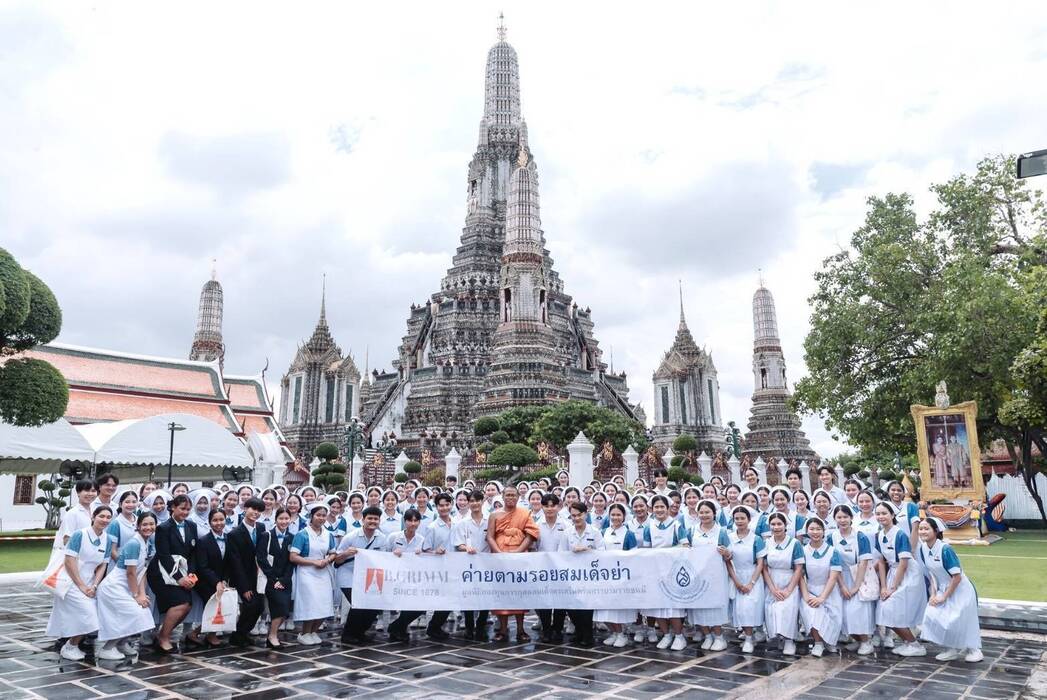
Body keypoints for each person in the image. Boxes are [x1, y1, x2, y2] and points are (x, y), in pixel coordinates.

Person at [48, 505, 114, 660]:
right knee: (89, 616)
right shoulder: (79, 535)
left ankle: (72, 645)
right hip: (70, 582)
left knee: (88, 616)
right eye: (101, 516)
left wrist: (94, 586)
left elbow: (102, 565)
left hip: (90, 583)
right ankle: (70, 646)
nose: (104, 520)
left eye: (108, 517)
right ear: (93, 517)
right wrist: (82, 586)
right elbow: (69, 561)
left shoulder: (108, 539)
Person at [917, 517, 982, 662]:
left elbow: (956, 576)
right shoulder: (923, 548)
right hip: (940, 588)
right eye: (921, 528)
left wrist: (944, 597)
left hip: (960, 589)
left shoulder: (945, 549)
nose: (922, 531)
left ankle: (974, 649)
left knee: (962, 619)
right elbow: (931, 574)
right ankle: (949, 648)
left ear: (936, 531)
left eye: (926, 528)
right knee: (932, 615)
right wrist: (933, 594)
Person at [96, 511, 157, 659]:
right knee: (136, 613)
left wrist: (142, 594)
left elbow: (142, 572)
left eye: (151, 524)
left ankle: (121, 643)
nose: (148, 527)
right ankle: (107, 648)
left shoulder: (146, 543)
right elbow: (130, 573)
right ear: (138, 526)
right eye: (144, 524)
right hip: (114, 587)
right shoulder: (134, 544)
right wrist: (136, 595)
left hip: (127, 587)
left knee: (140, 612)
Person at [874, 502, 928, 657]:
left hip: (908, 575)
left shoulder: (899, 534)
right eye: (878, 513)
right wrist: (884, 587)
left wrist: (892, 588)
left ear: (892, 515)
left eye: (884, 513)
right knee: (885, 610)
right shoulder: (879, 535)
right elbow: (881, 562)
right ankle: (908, 642)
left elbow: (904, 563)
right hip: (893, 572)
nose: (881, 516)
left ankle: (914, 645)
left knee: (891, 609)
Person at [487, 485, 539, 643]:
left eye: (513, 495)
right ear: (502, 496)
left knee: (519, 594)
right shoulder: (494, 515)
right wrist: (498, 553)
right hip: (500, 557)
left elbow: (531, 534)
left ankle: (521, 629)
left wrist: (519, 552)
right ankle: (502, 630)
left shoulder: (524, 513)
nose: (510, 498)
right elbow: (490, 536)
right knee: (502, 594)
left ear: (518, 497)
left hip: (519, 556)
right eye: (507, 495)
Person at [147, 494, 198, 653]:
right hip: (162, 573)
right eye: (182, 508)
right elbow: (164, 556)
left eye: (188, 509)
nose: (185, 512)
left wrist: (191, 575)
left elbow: (193, 553)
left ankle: (163, 634)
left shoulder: (191, 526)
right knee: (180, 603)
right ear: (173, 508)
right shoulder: (163, 528)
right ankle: (163, 637)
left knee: (188, 605)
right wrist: (179, 578)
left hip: (184, 571)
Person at [642, 494, 691, 651]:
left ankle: (678, 636)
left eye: (662, 507)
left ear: (668, 508)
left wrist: (666, 552)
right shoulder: (649, 527)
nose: (659, 510)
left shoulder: (677, 526)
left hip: (673, 570)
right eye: (656, 507)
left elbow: (685, 547)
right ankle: (666, 634)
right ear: (652, 509)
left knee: (673, 606)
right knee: (657, 605)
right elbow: (646, 549)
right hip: (655, 570)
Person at [827, 504, 876, 655]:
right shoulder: (831, 537)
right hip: (839, 577)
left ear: (851, 518)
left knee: (858, 611)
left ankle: (866, 641)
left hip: (858, 576)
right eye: (839, 517)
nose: (842, 520)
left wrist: (856, 586)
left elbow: (863, 562)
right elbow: (834, 564)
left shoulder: (860, 537)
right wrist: (842, 585)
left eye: (845, 517)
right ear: (834, 519)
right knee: (843, 613)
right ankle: (857, 639)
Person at [289, 502, 338, 645]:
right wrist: (314, 562)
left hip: (324, 572)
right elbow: (293, 556)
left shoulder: (328, 535)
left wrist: (327, 560)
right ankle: (304, 632)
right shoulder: (302, 534)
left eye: (324, 515)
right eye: (318, 515)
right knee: (310, 603)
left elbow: (333, 552)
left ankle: (313, 631)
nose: (321, 518)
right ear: (311, 516)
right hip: (307, 573)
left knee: (324, 603)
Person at [687, 500, 732, 651]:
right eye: (701, 512)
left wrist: (726, 552)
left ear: (714, 513)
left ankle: (719, 637)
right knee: (699, 606)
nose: (704, 515)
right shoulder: (692, 531)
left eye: (707, 512)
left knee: (714, 606)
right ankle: (707, 635)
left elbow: (730, 555)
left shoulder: (722, 532)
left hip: (716, 576)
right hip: (697, 575)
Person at [559, 502, 604, 647]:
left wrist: (587, 550)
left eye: (579, 515)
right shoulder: (567, 532)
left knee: (586, 606)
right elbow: (561, 553)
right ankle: (579, 631)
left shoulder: (595, 531)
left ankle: (587, 635)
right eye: (573, 515)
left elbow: (602, 552)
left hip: (589, 574)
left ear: (586, 514)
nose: (576, 518)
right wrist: (572, 552)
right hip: (572, 574)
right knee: (572, 607)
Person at [225, 496, 266, 647]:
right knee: (250, 606)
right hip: (243, 577)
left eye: (259, 510)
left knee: (259, 607)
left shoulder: (261, 528)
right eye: (253, 509)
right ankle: (238, 635)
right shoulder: (234, 534)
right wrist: (244, 588)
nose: (255, 512)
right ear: (244, 509)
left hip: (259, 576)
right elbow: (235, 563)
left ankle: (243, 633)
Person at [799, 517, 843, 657]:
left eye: (818, 529)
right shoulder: (803, 551)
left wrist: (822, 597)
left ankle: (829, 641)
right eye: (812, 529)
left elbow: (833, 576)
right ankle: (818, 643)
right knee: (812, 613)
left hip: (829, 590)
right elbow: (800, 574)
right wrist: (806, 595)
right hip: (810, 589)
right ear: (807, 531)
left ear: (824, 531)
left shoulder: (833, 551)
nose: (815, 532)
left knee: (832, 617)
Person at [594, 503, 637, 648]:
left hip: (622, 577)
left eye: (619, 515)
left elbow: (634, 556)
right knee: (604, 609)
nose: (615, 517)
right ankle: (614, 632)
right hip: (605, 576)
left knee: (616, 609)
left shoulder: (629, 534)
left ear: (624, 516)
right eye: (613, 515)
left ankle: (621, 634)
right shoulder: (603, 532)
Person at [762, 511, 804, 656]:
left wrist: (788, 590)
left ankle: (789, 640)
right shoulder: (767, 542)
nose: (776, 527)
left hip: (789, 579)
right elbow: (764, 568)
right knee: (772, 610)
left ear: (785, 525)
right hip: (772, 580)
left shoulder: (795, 543)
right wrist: (772, 588)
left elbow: (799, 568)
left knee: (787, 610)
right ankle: (779, 637)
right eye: (773, 524)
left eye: (779, 524)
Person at [726, 505, 766, 653]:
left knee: (750, 608)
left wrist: (751, 583)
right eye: (737, 518)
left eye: (743, 518)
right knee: (740, 610)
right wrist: (736, 581)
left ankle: (750, 638)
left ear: (749, 520)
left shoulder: (756, 539)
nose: (740, 521)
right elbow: (728, 561)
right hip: (736, 576)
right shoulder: (729, 537)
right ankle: (748, 635)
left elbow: (761, 562)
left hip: (753, 576)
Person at [384, 509, 427, 642]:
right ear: (405, 521)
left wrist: (423, 554)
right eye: (410, 520)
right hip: (395, 577)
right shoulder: (393, 537)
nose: (413, 524)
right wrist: (393, 555)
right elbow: (383, 555)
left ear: (419, 522)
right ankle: (399, 629)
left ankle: (396, 626)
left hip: (414, 579)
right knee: (403, 604)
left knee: (417, 607)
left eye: (416, 521)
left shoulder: (422, 540)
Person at [453, 489, 491, 641]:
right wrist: (466, 548)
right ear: (468, 503)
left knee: (485, 596)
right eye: (472, 501)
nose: (475, 504)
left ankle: (481, 626)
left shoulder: (490, 520)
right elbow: (458, 544)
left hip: (486, 564)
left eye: (478, 500)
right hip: (468, 565)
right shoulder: (462, 523)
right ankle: (469, 626)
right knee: (468, 596)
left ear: (482, 502)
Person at [192, 509, 230, 648]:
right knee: (214, 606)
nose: (218, 523)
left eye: (221, 519)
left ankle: (203, 633)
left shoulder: (228, 538)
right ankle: (205, 634)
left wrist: (224, 579)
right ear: (209, 522)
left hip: (221, 579)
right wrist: (216, 582)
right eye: (215, 520)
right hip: (205, 581)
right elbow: (203, 566)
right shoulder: (203, 541)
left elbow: (228, 562)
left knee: (223, 605)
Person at [258, 507, 295, 648]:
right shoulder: (266, 535)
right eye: (281, 518)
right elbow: (261, 558)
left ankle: (272, 634)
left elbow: (292, 561)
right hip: (270, 579)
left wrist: (284, 579)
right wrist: (274, 578)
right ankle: (272, 636)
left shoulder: (292, 537)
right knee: (278, 607)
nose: (284, 521)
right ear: (275, 519)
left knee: (285, 610)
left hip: (285, 579)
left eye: (287, 518)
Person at [421, 493, 456, 640]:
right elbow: (425, 549)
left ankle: (436, 626)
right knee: (442, 600)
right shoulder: (432, 527)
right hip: (438, 569)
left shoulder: (457, 523)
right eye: (441, 505)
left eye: (447, 504)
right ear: (436, 507)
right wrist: (435, 551)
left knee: (450, 600)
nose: (444, 508)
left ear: (451, 505)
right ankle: (433, 627)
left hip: (454, 568)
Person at [534, 493, 568, 642]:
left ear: (558, 506)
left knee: (560, 601)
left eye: (552, 505)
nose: (549, 509)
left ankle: (558, 629)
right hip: (542, 569)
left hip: (561, 569)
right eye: (546, 506)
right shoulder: (536, 525)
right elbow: (533, 547)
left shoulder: (566, 525)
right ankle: (546, 630)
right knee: (544, 601)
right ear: (542, 507)